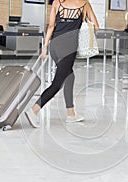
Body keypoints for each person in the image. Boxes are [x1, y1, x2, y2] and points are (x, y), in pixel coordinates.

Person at [25, 0, 99, 128]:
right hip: (68, 48)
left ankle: (71, 114)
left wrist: (45, 46)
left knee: (70, 77)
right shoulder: (84, 4)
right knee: (57, 83)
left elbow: (51, 26)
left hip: (55, 46)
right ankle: (34, 110)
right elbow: (96, 26)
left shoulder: (57, 2)